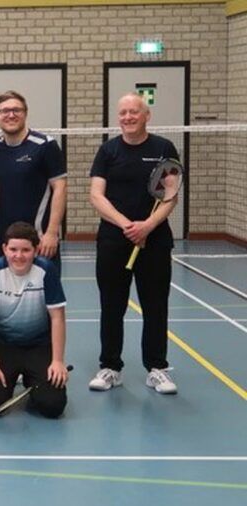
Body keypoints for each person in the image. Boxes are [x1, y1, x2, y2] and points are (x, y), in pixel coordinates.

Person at [88, 93, 180, 395]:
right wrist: (125, 224)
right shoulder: (108, 150)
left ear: (146, 116)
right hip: (115, 239)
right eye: (123, 112)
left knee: (155, 305)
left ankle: (157, 368)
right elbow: (96, 195)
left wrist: (148, 226)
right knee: (111, 306)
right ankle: (111, 367)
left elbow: (170, 194)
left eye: (134, 112)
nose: (128, 117)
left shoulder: (164, 148)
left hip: (154, 241)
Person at [0, 222, 69, 419]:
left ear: (36, 250)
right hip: (4, 345)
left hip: (38, 345)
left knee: (53, 406)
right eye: (13, 249)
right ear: (4, 249)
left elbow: (57, 317)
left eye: (26, 250)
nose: (19, 255)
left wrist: (57, 361)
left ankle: (33, 382)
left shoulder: (47, 270)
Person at [0, 90, 66, 273]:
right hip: (7, 243)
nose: (11, 115)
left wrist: (52, 233)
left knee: (45, 298)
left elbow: (60, 188)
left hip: (40, 240)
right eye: (4, 111)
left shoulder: (45, 145)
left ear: (25, 113)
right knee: (8, 297)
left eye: (16, 110)